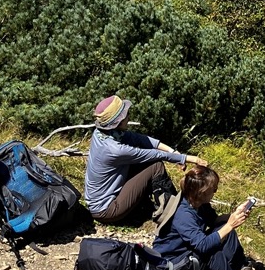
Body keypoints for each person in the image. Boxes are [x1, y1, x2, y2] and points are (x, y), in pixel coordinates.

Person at [82, 94, 207, 225]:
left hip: (96, 204)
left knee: (146, 164)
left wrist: (174, 152)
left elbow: (143, 140)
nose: (128, 117)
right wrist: (187, 158)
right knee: (155, 166)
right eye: (126, 115)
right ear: (118, 122)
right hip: (106, 210)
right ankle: (174, 212)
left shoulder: (102, 134)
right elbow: (156, 154)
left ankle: (152, 205)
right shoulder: (115, 150)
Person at [151, 164, 253, 270]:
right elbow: (203, 246)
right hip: (175, 262)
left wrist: (235, 215)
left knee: (226, 230)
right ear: (201, 192)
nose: (215, 191)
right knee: (212, 251)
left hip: (188, 251)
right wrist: (230, 224)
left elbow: (215, 221)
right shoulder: (183, 214)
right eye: (213, 189)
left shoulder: (199, 204)